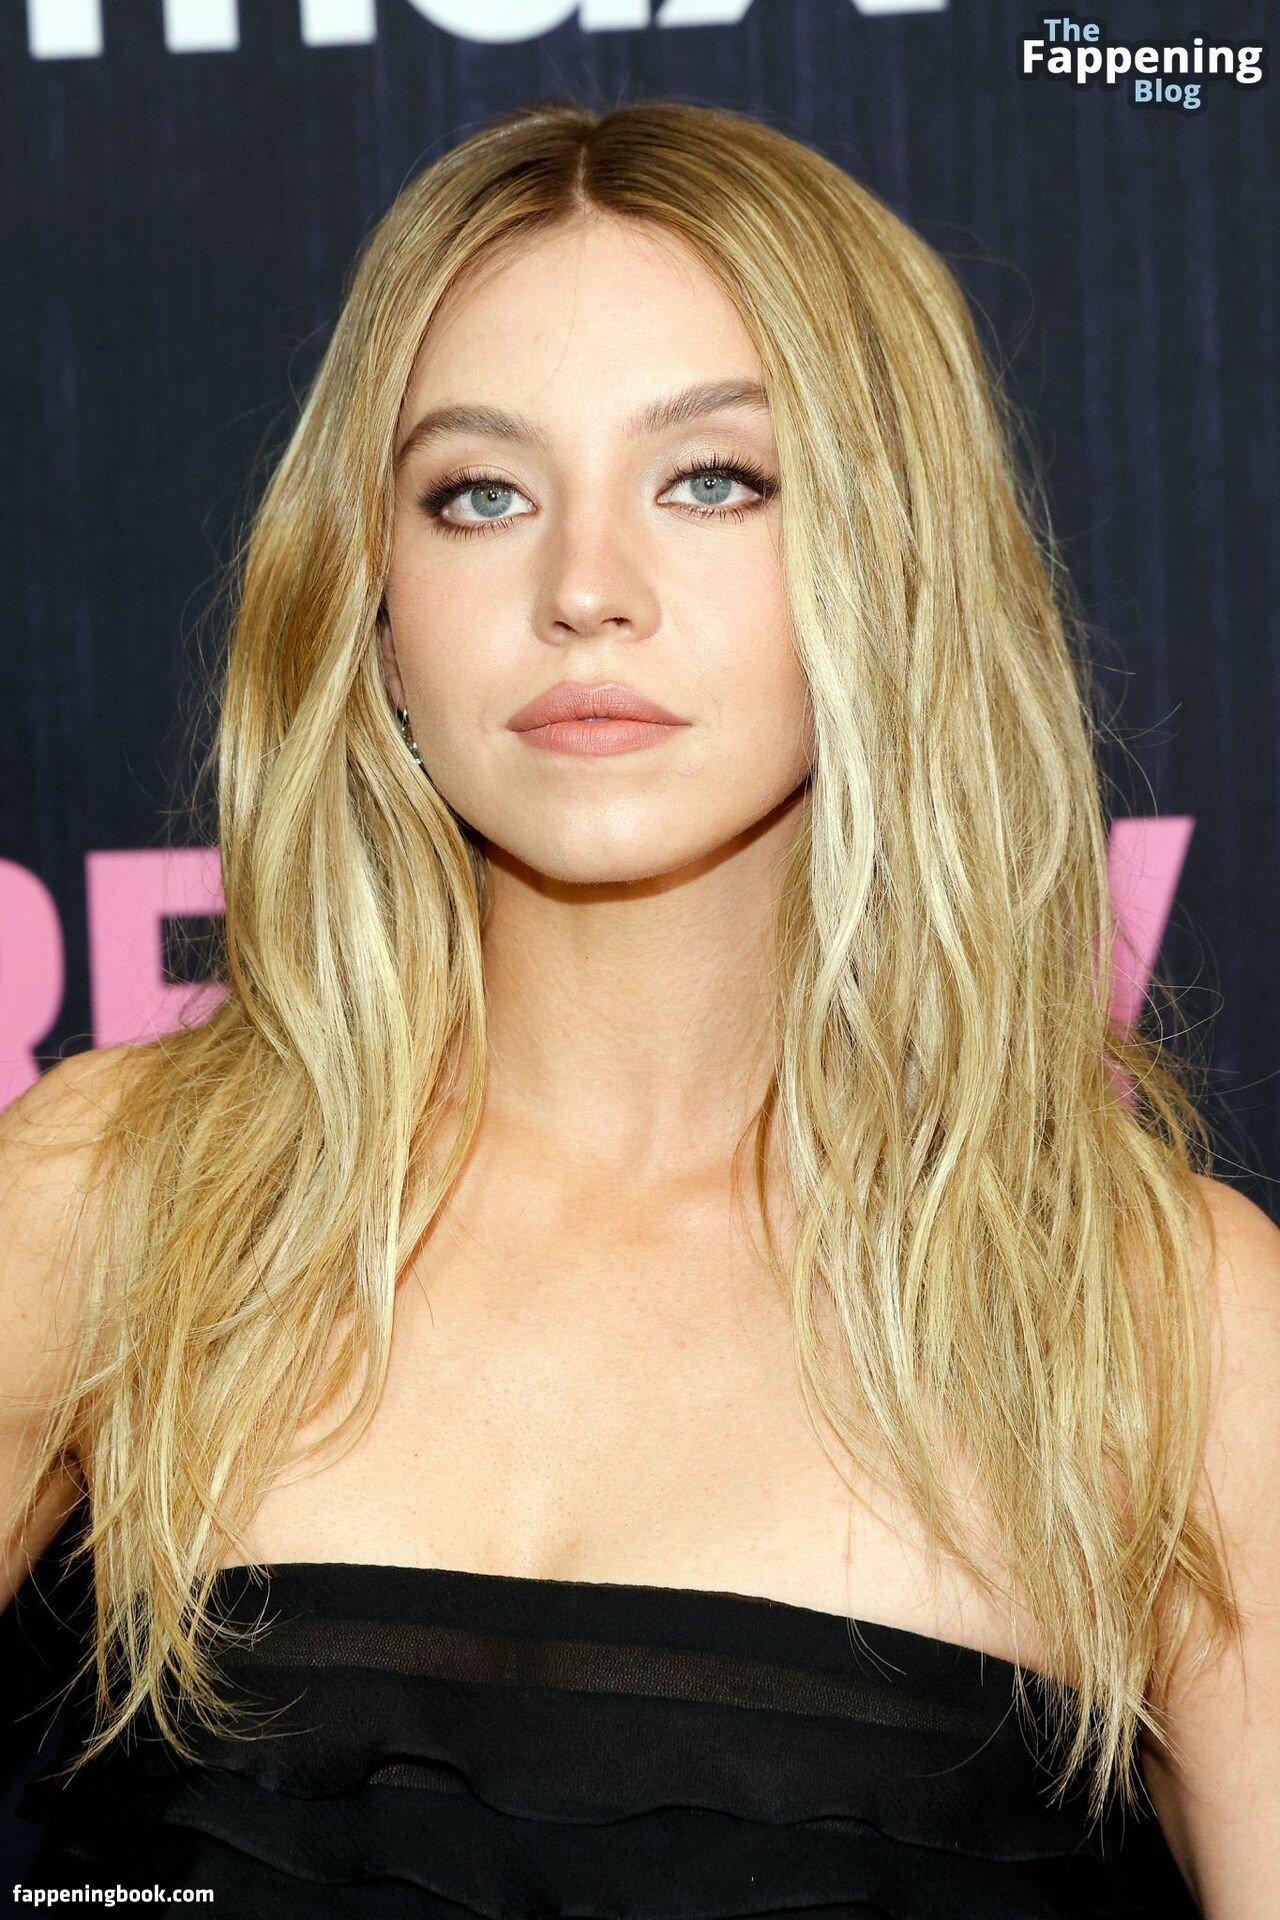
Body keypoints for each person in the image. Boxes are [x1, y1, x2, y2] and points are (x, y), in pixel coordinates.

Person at [2, 97, 1277, 1918]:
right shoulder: (111, 1205)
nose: (584, 590)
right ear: (372, 607)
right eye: (480, 495)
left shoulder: (1165, 1328)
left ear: (895, 558)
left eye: (714, 480)